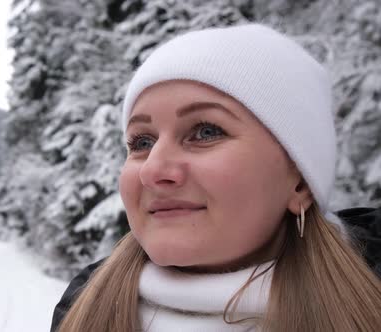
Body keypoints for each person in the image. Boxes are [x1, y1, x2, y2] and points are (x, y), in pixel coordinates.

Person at [50, 24, 381, 332]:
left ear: (300, 181)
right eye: (142, 142)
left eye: (206, 132)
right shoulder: (81, 308)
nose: (153, 170)